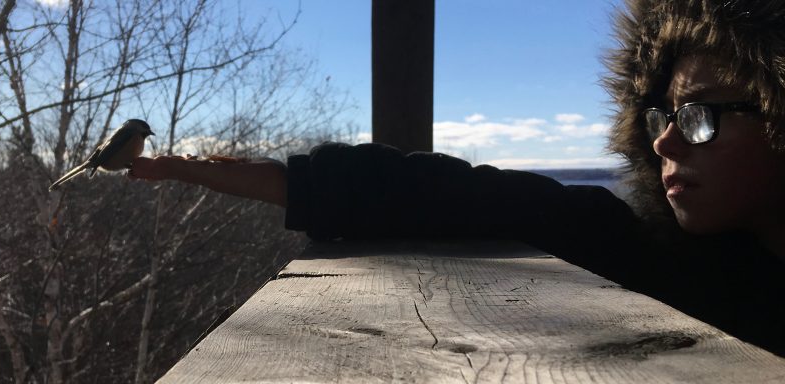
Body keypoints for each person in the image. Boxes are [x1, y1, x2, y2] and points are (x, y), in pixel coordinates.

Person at [128, 0, 785, 356]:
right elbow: (461, 195)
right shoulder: (652, 255)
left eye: (701, 115)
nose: (667, 138)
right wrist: (268, 177)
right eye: (660, 115)